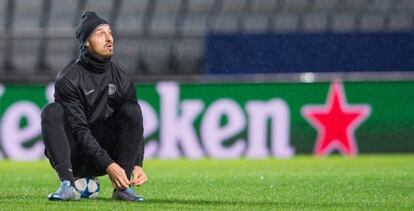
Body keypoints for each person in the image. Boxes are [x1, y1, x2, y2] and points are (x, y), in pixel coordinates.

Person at [41, 11, 147, 202]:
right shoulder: (68, 78)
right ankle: (67, 184)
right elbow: (79, 130)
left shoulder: (121, 79)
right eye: (100, 34)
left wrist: (138, 163)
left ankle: (122, 189)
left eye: (110, 33)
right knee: (51, 111)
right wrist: (109, 165)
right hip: (75, 156)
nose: (109, 39)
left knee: (132, 110)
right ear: (86, 42)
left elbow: (134, 124)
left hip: (106, 153)